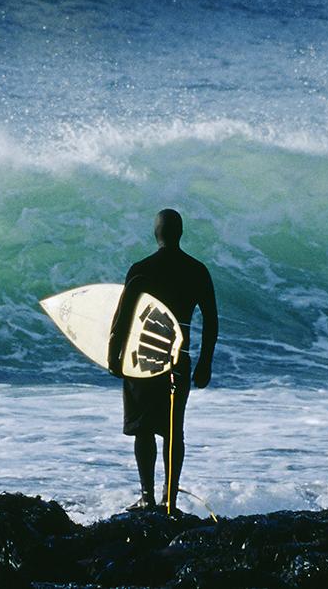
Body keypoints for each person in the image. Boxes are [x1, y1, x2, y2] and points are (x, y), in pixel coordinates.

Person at [116, 208, 217, 514]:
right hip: (178, 361)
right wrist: (205, 363)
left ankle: (147, 497)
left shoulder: (141, 269)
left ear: (155, 233)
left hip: (141, 360)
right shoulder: (197, 270)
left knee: (143, 429)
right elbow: (211, 321)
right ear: (180, 233)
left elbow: (122, 320)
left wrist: (113, 357)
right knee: (174, 431)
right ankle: (169, 500)